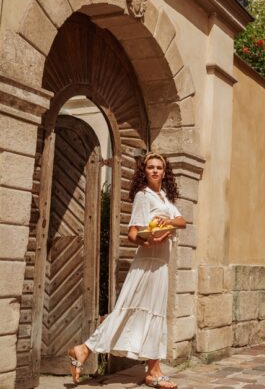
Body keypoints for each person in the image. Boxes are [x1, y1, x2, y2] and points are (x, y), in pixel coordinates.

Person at [68, 152, 186, 389]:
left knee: (154, 314)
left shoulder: (163, 197)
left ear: (164, 172)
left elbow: (182, 222)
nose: (154, 171)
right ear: (145, 172)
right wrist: (148, 240)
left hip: (161, 265)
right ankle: (87, 349)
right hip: (147, 262)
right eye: (150, 167)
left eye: (158, 167)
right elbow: (132, 233)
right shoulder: (143, 197)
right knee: (127, 310)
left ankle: (153, 371)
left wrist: (167, 223)